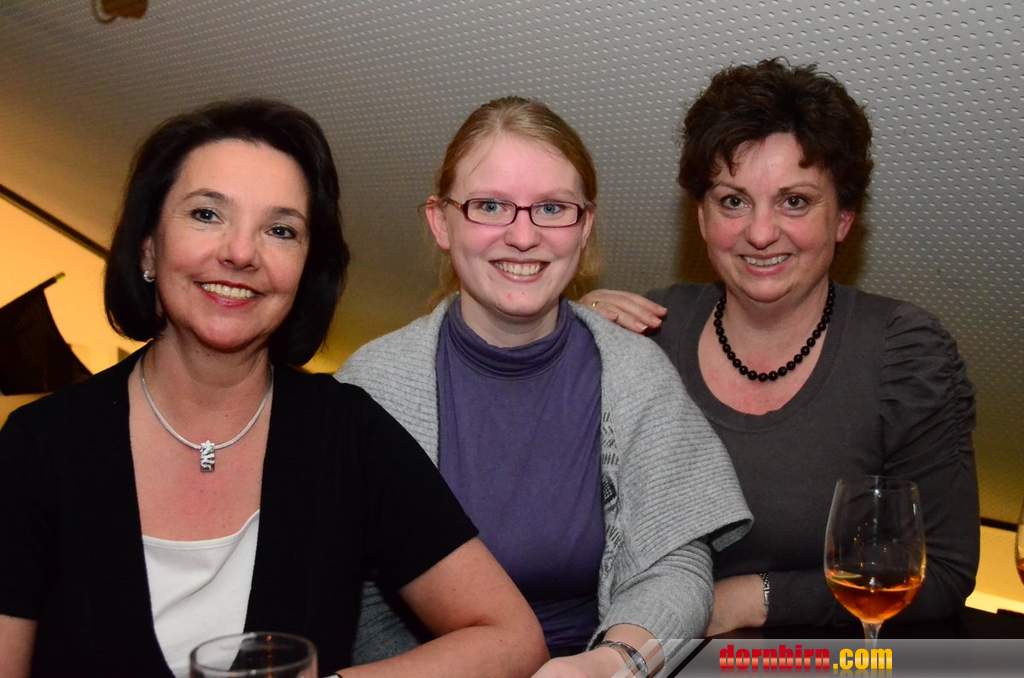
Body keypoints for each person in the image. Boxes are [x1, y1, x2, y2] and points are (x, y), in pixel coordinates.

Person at [0, 98, 548, 678]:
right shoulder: (40, 445)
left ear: (306, 269)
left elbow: (512, 638)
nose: (241, 253)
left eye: (280, 230)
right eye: (207, 214)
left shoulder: (347, 433)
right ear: (148, 247)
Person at [336, 96, 752, 677]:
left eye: (553, 208)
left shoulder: (637, 375)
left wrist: (607, 666)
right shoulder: (367, 389)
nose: (523, 236)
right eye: (489, 206)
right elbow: (353, 595)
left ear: (584, 227)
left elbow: (674, 567)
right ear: (441, 222)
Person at [581, 58, 979, 634]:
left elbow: (940, 572)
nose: (761, 233)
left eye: (795, 201)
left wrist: (752, 598)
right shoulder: (645, 337)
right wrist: (562, 338)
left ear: (843, 219)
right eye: (733, 201)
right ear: (701, 217)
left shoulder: (904, 355)